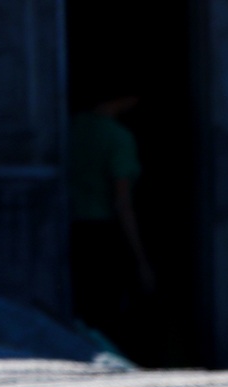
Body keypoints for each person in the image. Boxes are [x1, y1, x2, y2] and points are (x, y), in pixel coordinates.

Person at [68, 85, 153, 347]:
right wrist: (141, 260)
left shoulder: (70, 127)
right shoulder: (117, 137)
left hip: (72, 228)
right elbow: (122, 201)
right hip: (102, 232)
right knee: (106, 312)